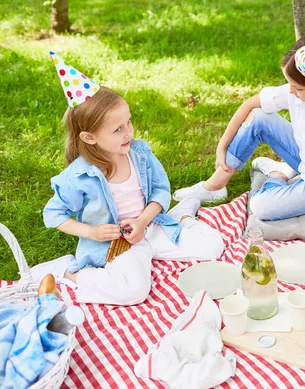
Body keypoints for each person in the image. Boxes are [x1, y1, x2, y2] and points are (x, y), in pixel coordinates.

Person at [37, 52, 225, 306]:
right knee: (134, 292)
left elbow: (160, 189)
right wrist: (92, 232)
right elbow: (54, 215)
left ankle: (182, 216)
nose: (129, 132)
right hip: (119, 245)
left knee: (213, 246)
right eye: (118, 129)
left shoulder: (140, 154)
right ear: (89, 137)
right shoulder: (78, 177)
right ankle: (71, 272)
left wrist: (142, 220)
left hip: (150, 225)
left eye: (129, 122)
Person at [173, 33, 305, 237]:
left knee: (260, 207)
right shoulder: (300, 92)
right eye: (290, 84)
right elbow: (249, 105)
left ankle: (277, 174)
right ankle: (215, 185)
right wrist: (222, 146)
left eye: (297, 88)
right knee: (259, 117)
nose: (290, 92)